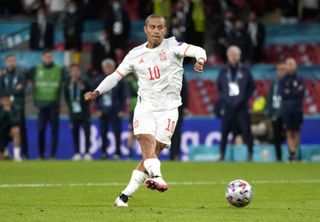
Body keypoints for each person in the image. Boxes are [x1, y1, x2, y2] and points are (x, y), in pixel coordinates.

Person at [84, 14, 206, 207]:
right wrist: (97, 91)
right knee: (147, 143)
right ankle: (158, 177)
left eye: (160, 27)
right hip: (145, 107)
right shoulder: (135, 54)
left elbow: (198, 49)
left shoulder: (174, 46)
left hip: (169, 109)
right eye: (152, 27)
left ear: (165, 30)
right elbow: (115, 77)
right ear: (145, 29)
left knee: (153, 152)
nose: (156, 31)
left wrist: (200, 59)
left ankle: (124, 196)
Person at [217, 46, 255, 161]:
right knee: (224, 132)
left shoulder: (245, 70)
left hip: (242, 107)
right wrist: (225, 99)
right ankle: (222, 155)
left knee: (246, 131)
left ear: (239, 56)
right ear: (228, 56)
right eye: (231, 55)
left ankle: (250, 154)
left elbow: (251, 87)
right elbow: (220, 87)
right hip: (228, 107)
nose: (233, 57)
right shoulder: (223, 71)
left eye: (236, 55)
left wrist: (243, 98)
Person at [28, 50, 63, 159]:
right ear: (42, 58)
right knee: (41, 130)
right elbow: (27, 79)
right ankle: (41, 154)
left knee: (54, 131)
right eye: (46, 57)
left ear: (52, 58)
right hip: (41, 105)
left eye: (50, 57)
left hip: (54, 105)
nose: (48, 59)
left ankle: (52, 155)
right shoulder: (35, 69)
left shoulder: (59, 69)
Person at [95, 59, 126, 160]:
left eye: (110, 67)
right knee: (103, 132)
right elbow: (95, 96)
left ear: (114, 68)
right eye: (106, 67)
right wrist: (98, 109)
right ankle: (104, 152)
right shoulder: (98, 80)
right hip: (103, 110)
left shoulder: (120, 81)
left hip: (115, 110)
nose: (108, 69)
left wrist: (122, 109)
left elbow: (123, 96)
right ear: (103, 69)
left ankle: (117, 153)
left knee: (117, 132)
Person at [0, 54, 28, 159]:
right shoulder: (3, 76)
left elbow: (22, 90)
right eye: (9, 60)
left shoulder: (20, 75)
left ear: (15, 61)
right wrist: (14, 91)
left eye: (13, 60)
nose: (11, 62)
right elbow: (2, 91)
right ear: (6, 61)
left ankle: (22, 154)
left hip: (17, 106)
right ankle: (5, 151)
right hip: (4, 108)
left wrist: (9, 93)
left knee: (20, 129)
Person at [279, 58, 305, 162]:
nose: (290, 66)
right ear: (285, 66)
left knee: (297, 131)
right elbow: (283, 95)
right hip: (286, 110)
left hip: (298, 109)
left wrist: (289, 92)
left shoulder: (300, 78)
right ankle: (292, 153)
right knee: (289, 131)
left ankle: (295, 152)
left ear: (296, 65)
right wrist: (294, 91)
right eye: (288, 64)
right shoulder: (282, 80)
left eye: (292, 64)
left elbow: (301, 93)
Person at [64, 64, 92, 161]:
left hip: (84, 112)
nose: (75, 73)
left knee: (86, 133)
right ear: (70, 72)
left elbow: (90, 93)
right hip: (73, 113)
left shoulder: (85, 81)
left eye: (76, 70)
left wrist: (82, 87)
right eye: (73, 71)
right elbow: (66, 97)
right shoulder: (67, 83)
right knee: (75, 132)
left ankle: (87, 152)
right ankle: (76, 152)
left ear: (79, 71)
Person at [265, 63, 287, 161]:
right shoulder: (274, 82)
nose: (281, 72)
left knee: (288, 134)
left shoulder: (288, 82)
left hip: (286, 113)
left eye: (283, 70)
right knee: (276, 136)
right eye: (279, 70)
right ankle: (279, 157)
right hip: (275, 112)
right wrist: (269, 111)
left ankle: (291, 155)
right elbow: (269, 97)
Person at [170, 75, 188, 160]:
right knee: (168, 132)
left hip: (178, 107)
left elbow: (184, 90)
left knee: (176, 131)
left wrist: (185, 106)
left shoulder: (179, 73)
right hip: (166, 107)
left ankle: (176, 154)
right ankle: (172, 154)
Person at [0, 94, 22, 161]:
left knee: (16, 130)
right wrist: (4, 111)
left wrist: (9, 112)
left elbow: (17, 122)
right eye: (4, 100)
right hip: (0, 133)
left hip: (9, 132)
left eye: (8, 100)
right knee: (1, 158)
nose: (6, 102)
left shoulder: (16, 108)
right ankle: (5, 153)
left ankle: (16, 156)